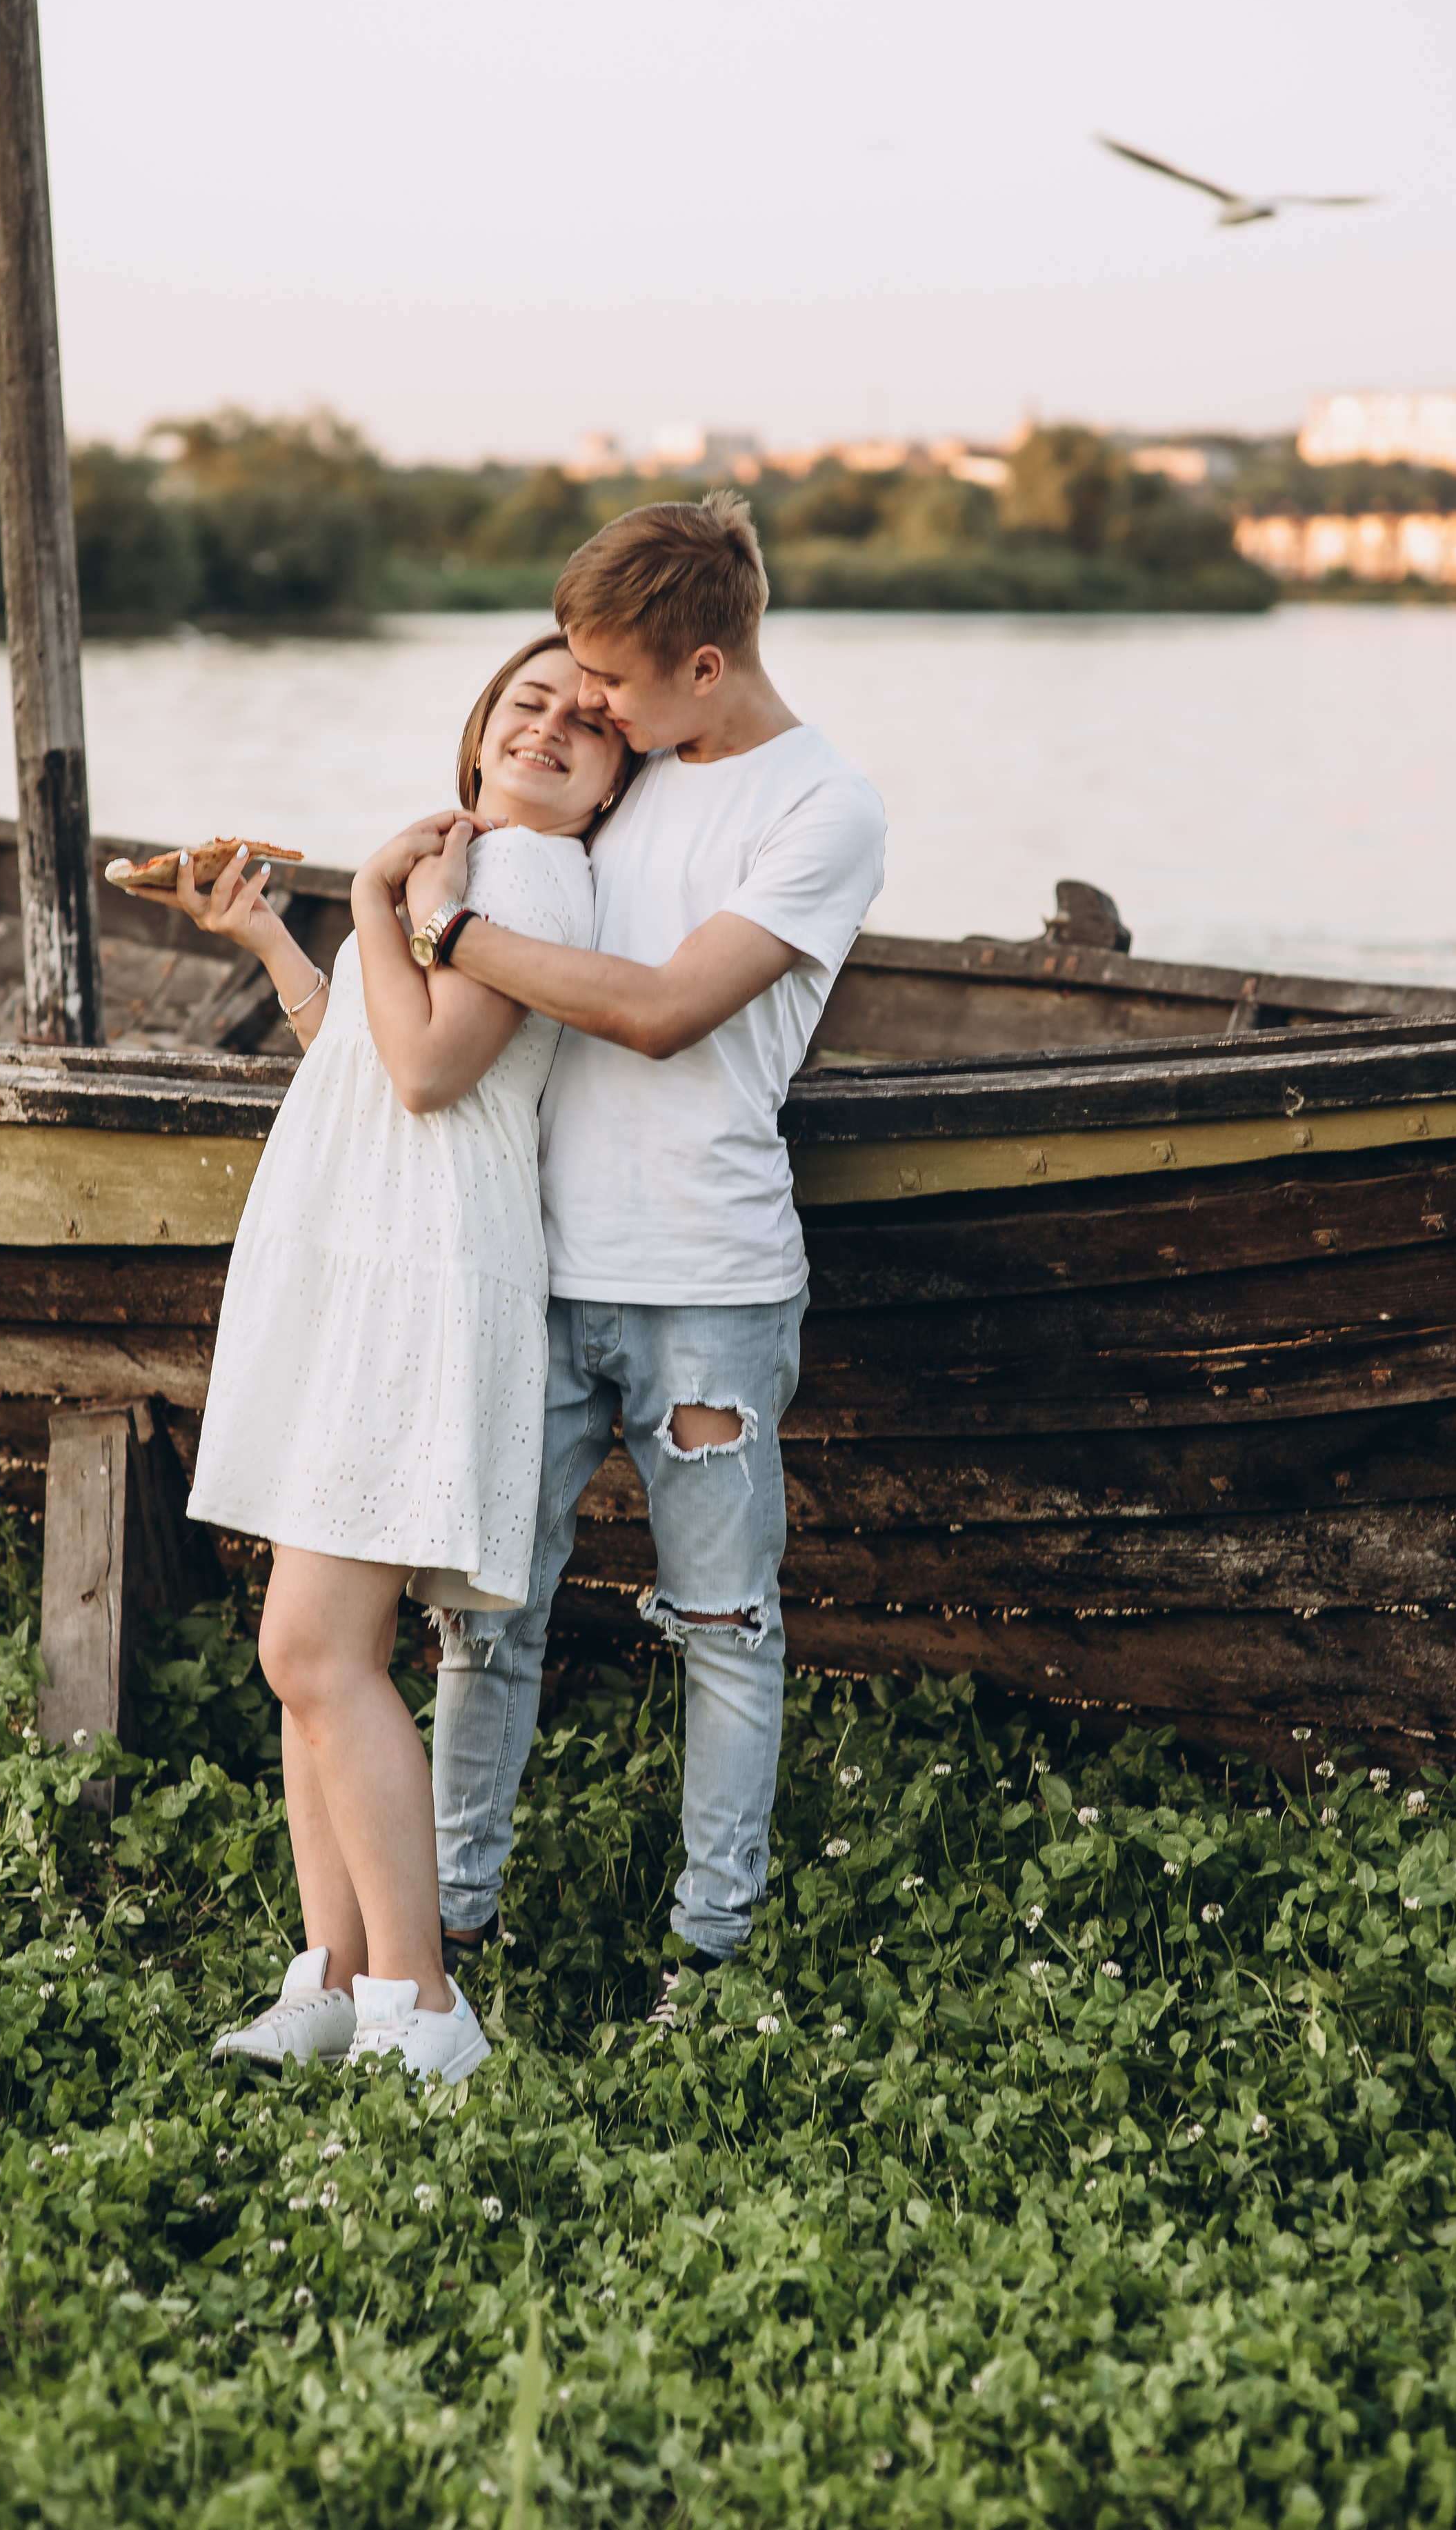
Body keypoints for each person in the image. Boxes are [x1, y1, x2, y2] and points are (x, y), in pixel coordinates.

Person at [397, 491, 886, 2011]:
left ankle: (707, 1954)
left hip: (708, 1290)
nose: (586, 703)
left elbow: (666, 1015)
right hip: (530, 1275)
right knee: (487, 1618)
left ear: (703, 665)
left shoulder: (820, 809)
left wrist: (448, 935)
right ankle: (450, 1924)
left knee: (726, 1630)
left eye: (610, 678)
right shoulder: (628, 774)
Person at [177, 636, 635, 2077]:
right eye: (524, 702)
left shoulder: (533, 876)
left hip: (420, 1276)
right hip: (361, 1264)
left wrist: (381, 894)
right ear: (477, 727)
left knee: (311, 1648)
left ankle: (423, 2007)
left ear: (617, 771)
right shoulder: (468, 866)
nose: (550, 725)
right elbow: (367, 1056)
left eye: (585, 719)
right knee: (316, 1655)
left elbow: (433, 1073)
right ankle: (332, 1973)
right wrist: (277, 944)